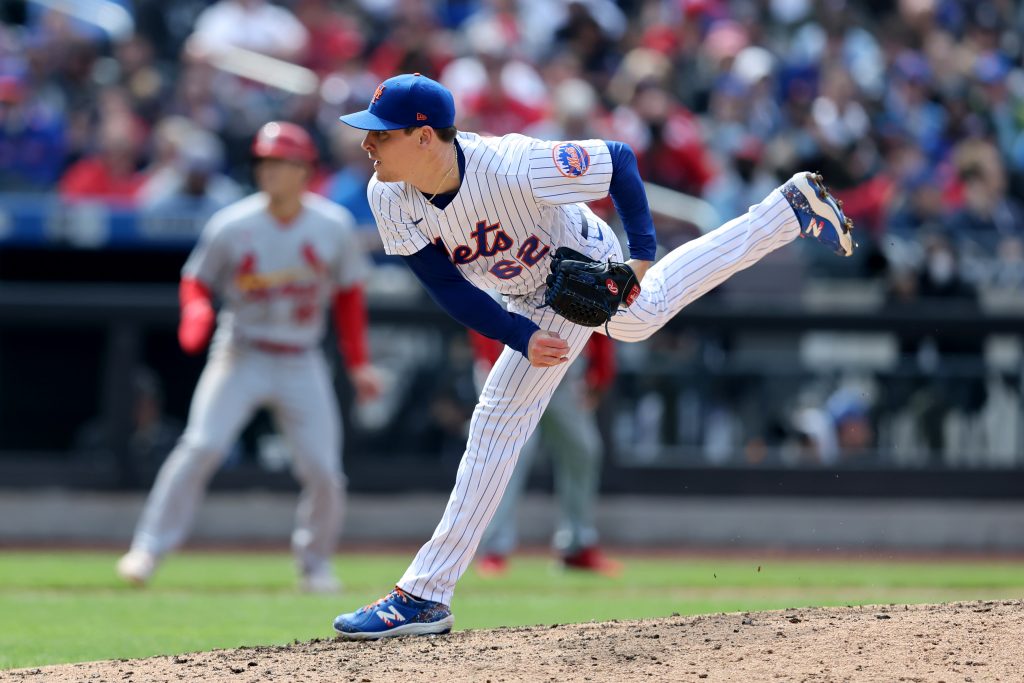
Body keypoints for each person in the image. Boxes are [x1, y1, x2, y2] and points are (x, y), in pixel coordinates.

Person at [331, 73, 854, 639]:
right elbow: (447, 288)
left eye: (381, 134)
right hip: (524, 296)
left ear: (425, 136)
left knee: (499, 420)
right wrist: (517, 333)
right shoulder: (388, 194)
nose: (368, 144)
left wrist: (641, 256)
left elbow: (620, 160)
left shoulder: (512, 164)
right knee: (642, 319)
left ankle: (426, 594)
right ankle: (786, 211)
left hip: (577, 264)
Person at [116, 121, 380, 593]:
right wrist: (196, 311)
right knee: (201, 446)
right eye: (263, 162)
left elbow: (349, 297)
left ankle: (315, 564)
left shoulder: (332, 224)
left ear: (304, 170)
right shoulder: (233, 223)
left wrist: (359, 362)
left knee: (324, 470)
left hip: (301, 355)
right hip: (242, 351)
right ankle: (148, 549)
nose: (269, 171)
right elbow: (196, 279)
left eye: (280, 162)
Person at [469, 331, 621, 576]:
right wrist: (491, 361)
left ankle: (577, 545)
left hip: (562, 368)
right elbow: (479, 305)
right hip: (509, 366)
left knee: (583, 450)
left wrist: (601, 370)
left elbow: (598, 307)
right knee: (510, 454)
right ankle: (493, 548)